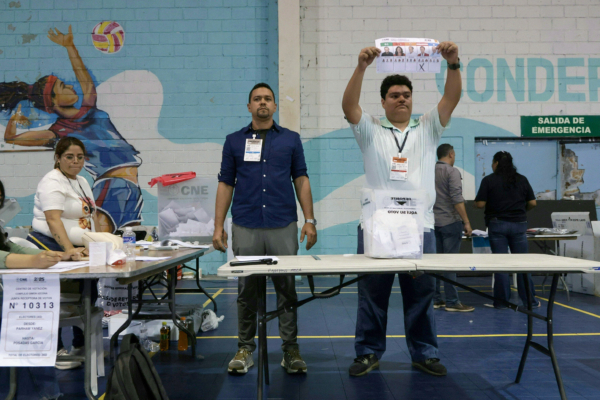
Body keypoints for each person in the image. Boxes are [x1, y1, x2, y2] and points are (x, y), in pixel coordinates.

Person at [342, 42, 462, 377]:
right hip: (376, 228)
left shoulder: (428, 127)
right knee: (372, 296)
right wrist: (361, 68)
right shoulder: (370, 129)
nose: (401, 99)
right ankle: (367, 352)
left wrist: (453, 64)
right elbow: (348, 105)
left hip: (420, 228)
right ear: (383, 102)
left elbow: (451, 98)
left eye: (406, 95)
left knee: (421, 295)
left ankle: (425, 353)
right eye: (394, 95)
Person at [213, 83, 317, 375]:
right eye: (257, 99)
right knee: (247, 290)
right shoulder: (234, 141)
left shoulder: (291, 140)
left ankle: (290, 350)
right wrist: (218, 225)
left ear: (274, 106)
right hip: (246, 224)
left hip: (283, 224)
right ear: (249, 106)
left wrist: (309, 220)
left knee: (286, 289)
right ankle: (245, 348)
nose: (262, 102)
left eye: (267, 99)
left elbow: (301, 179)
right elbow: (225, 183)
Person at [1, 25, 142, 233]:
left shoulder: (88, 108)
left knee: (130, 244)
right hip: (111, 185)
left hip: (132, 186)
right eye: (62, 87)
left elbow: (83, 77)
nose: (70, 86)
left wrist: (70, 46)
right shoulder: (60, 130)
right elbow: (11, 138)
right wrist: (15, 117)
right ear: (53, 102)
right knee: (99, 243)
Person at [28, 136, 99, 370]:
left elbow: (91, 216)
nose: (75, 161)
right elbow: (53, 219)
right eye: (69, 157)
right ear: (57, 158)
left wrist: (98, 243)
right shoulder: (52, 182)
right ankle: (55, 350)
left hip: (77, 247)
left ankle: (80, 345)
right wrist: (68, 249)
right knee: (56, 298)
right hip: (49, 244)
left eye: (80, 157)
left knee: (87, 290)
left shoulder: (82, 181)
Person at [474, 151, 540, 309]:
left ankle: (502, 302)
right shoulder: (522, 179)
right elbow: (533, 203)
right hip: (519, 224)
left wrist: (475, 204)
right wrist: (521, 210)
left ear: (496, 163)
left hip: (497, 225)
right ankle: (530, 301)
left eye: (492, 162)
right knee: (522, 265)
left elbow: (480, 204)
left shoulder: (489, 180)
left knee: (501, 264)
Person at [433, 144, 474, 312]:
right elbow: (457, 198)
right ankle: (452, 301)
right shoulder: (452, 172)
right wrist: (466, 221)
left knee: (434, 263)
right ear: (451, 154)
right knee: (449, 264)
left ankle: (436, 299)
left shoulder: (429, 171)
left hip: (432, 223)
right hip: (450, 222)